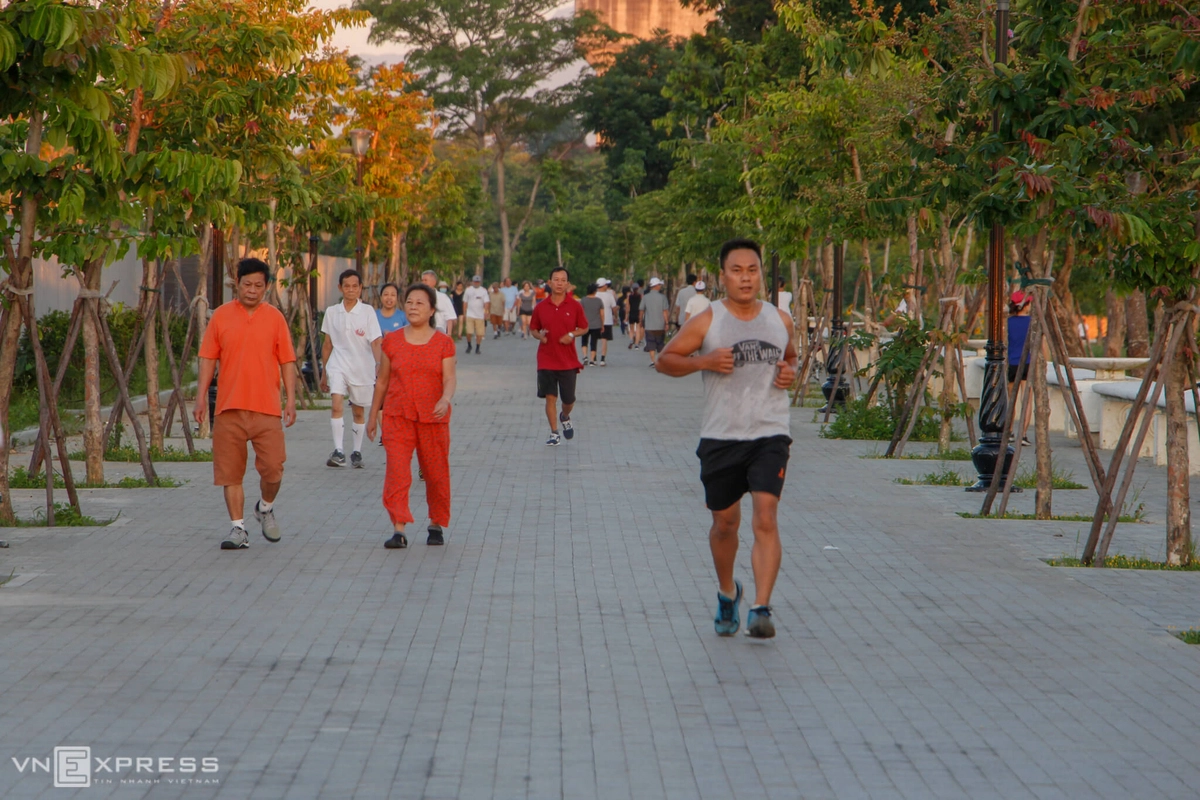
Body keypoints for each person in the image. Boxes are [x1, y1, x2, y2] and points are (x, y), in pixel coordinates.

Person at [657, 238, 797, 639]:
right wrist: (704, 360)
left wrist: (790, 372)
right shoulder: (708, 320)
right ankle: (726, 592)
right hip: (721, 436)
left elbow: (791, 358)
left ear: (761, 274)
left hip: (771, 432)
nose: (745, 278)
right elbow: (665, 360)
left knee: (766, 516)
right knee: (725, 524)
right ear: (722, 276)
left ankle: (761, 607)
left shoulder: (779, 319)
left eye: (752, 270)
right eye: (737, 270)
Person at [195, 257, 297, 550]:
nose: (252, 290)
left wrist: (290, 401)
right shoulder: (221, 317)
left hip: (267, 408)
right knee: (230, 472)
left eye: (258, 286)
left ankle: (265, 507)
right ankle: (237, 529)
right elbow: (208, 359)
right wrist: (201, 397)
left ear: (266, 288)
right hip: (229, 409)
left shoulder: (275, 317)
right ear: (236, 284)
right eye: (247, 284)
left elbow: (288, 360)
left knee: (274, 469)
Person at [367, 283, 457, 548]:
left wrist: (445, 398)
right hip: (398, 415)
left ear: (431, 310)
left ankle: (436, 524)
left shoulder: (443, 342)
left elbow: (450, 378)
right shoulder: (392, 341)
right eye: (409, 302)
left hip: (433, 416)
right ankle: (399, 529)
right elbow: (382, 382)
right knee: (397, 470)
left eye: (420, 303)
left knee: (435, 472)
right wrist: (373, 416)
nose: (413, 306)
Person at [320, 269, 382, 469]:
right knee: (337, 404)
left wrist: (379, 366)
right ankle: (338, 451)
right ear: (340, 288)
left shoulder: (368, 312)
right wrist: (324, 372)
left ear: (360, 288)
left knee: (358, 411)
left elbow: (375, 341)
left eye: (355, 286)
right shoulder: (331, 312)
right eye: (346, 286)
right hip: (338, 364)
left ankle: (356, 451)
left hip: (362, 367)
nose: (351, 290)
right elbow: (328, 343)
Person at [529, 266, 588, 446]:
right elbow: (533, 329)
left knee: (568, 399)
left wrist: (571, 335)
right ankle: (554, 433)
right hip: (546, 359)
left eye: (563, 280)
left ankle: (565, 415)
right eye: (556, 279)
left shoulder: (575, 306)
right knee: (550, 397)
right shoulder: (541, 307)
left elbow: (584, 327)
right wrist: (540, 336)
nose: (559, 283)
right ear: (549, 283)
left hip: (568, 360)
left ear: (567, 284)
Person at [1007, 290, 1034, 444]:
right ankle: (1022, 435)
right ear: (1026, 305)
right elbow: (1041, 345)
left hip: (1012, 364)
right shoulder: (1032, 322)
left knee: (1011, 399)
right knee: (1027, 399)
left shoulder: (1008, 322)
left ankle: (1009, 432)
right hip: (1027, 363)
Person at [640, 277, 669, 368]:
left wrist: (641, 320)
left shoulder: (645, 297)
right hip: (660, 325)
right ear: (656, 286)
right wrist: (666, 323)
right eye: (659, 285)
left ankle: (653, 361)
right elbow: (665, 311)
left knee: (651, 343)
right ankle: (660, 361)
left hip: (649, 325)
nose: (660, 286)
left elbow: (641, 310)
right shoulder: (663, 297)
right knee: (660, 343)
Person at [421, 270, 457, 336]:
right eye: (422, 280)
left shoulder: (443, 297)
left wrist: (449, 334)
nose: (423, 283)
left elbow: (450, 317)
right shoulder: (418, 297)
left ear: (434, 282)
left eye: (426, 280)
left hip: (438, 330)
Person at [462, 274, 489, 354]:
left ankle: (478, 347)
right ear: (472, 282)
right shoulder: (468, 290)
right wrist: (464, 313)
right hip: (470, 314)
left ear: (480, 282)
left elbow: (486, 302)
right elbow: (465, 302)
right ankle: (469, 344)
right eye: (475, 282)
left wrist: (486, 312)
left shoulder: (483, 291)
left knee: (479, 333)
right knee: (469, 332)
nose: (476, 283)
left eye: (478, 282)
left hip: (480, 315)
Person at [580, 283, 605, 366]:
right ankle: (592, 360)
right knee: (593, 342)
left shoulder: (583, 300)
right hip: (596, 324)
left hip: (584, 324)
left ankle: (585, 357)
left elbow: (580, 313)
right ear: (595, 291)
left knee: (584, 341)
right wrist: (602, 325)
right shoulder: (599, 301)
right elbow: (601, 314)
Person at [595, 277, 617, 366]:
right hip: (607, 320)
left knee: (594, 339)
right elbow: (614, 308)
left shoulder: (595, 295)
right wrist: (616, 316)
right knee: (604, 340)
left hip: (596, 320)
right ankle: (602, 359)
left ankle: (593, 357)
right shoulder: (609, 295)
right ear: (604, 286)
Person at [626, 279, 643, 349]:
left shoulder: (629, 296)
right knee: (638, 329)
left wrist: (626, 316)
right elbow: (642, 306)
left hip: (632, 313)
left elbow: (627, 307)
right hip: (638, 313)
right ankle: (636, 344)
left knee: (631, 328)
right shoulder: (641, 296)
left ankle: (631, 340)